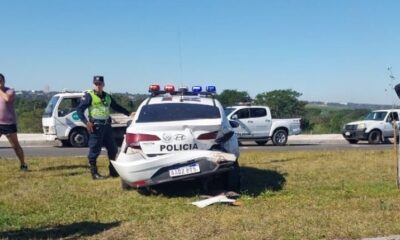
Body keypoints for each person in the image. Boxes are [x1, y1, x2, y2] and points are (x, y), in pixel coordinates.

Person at [76, 75, 132, 180]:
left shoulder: (107, 96)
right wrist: (86, 122)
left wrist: (128, 113)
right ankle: (94, 173)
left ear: (103, 85)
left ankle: (113, 171)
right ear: (93, 84)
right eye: (96, 84)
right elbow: (79, 110)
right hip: (96, 127)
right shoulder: (89, 96)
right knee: (94, 150)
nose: (98, 86)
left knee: (113, 149)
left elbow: (116, 106)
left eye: (100, 84)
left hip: (107, 126)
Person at [0, 73, 28, 171]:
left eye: (0, 80)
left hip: (9, 123)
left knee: (15, 145)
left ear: (4, 81)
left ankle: (23, 164)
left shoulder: (10, 91)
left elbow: (7, 99)